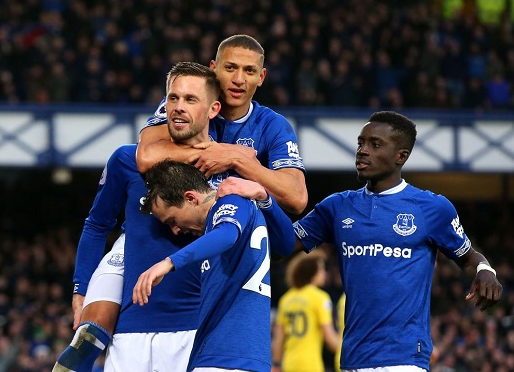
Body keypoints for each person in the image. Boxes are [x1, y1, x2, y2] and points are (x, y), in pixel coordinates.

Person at [287, 111, 502, 371]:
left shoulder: (431, 208)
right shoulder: (337, 206)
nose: (362, 151)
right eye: (360, 143)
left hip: (404, 359)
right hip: (353, 358)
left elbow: (468, 257)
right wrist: (261, 198)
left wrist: (484, 268)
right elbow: (283, 245)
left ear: (401, 156)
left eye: (375, 144)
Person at [55, 61, 221, 372]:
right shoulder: (126, 161)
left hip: (195, 327)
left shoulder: (227, 166)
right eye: (173, 98)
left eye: (190, 100)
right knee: (86, 340)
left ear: (213, 109)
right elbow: (96, 225)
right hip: (132, 333)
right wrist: (80, 289)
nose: (179, 108)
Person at [134, 160, 296, 372]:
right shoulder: (217, 224)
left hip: (229, 355)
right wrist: (265, 199)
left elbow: (228, 235)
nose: (175, 230)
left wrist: (169, 262)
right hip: (236, 354)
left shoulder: (230, 201)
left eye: (172, 220)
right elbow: (286, 244)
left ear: (191, 198)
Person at [136, 34, 307, 215]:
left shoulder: (274, 125)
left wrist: (235, 159)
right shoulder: (185, 100)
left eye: (249, 71)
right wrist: (220, 153)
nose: (239, 79)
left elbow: (297, 198)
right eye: (230, 67)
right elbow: (146, 156)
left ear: (261, 77)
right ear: (214, 68)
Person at [271, 251, 339, 372]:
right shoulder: (320, 297)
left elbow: (278, 338)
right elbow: (329, 337)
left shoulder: (286, 299)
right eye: (321, 269)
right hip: (310, 365)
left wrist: (276, 363)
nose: (324, 273)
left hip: (289, 364)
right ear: (312, 272)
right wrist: (349, 350)